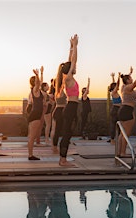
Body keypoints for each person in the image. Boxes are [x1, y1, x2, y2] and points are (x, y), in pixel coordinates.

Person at [59, 34, 79, 167]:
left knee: (68, 133)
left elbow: (70, 61)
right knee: (67, 134)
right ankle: (62, 160)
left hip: (71, 107)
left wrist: (71, 47)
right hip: (70, 107)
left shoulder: (67, 76)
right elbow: (74, 61)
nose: (75, 67)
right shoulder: (68, 78)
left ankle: (63, 159)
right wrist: (76, 46)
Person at [117, 67, 136, 157]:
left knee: (122, 134)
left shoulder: (124, 87)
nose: (132, 80)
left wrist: (130, 73)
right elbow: (135, 83)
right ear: (128, 80)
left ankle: (119, 152)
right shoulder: (128, 87)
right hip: (127, 110)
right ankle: (122, 152)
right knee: (126, 134)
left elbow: (128, 81)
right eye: (131, 79)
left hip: (124, 110)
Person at [27, 67, 44, 160]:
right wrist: (37, 75)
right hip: (35, 115)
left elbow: (40, 82)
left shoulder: (37, 90)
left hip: (35, 114)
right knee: (32, 137)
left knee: (31, 136)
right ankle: (30, 155)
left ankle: (30, 155)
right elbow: (38, 83)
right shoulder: (35, 90)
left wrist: (41, 73)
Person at [51, 64, 67, 154]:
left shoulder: (57, 90)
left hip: (58, 110)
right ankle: (54, 147)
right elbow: (63, 80)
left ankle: (54, 147)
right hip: (59, 111)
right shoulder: (60, 90)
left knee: (56, 130)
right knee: (57, 131)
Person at [108, 72, 121, 144]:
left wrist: (113, 77)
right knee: (114, 125)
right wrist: (119, 77)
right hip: (115, 109)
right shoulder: (114, 92)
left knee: (118, 125)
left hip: (117, 109)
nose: (118, 87)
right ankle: (112, 139)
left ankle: (116, 139)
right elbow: (117, 85)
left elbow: (114, 84)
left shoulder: (114, 92)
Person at [41, 81, 53, 145]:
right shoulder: (44, 94)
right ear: (44, 87)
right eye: (47, 86)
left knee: (48, 125)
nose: (48, 87)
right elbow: (44, 102)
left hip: (48, 110)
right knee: (48, 125)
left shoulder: (45, 93)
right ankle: (46, 139)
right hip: (46, 110)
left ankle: (47, 139)